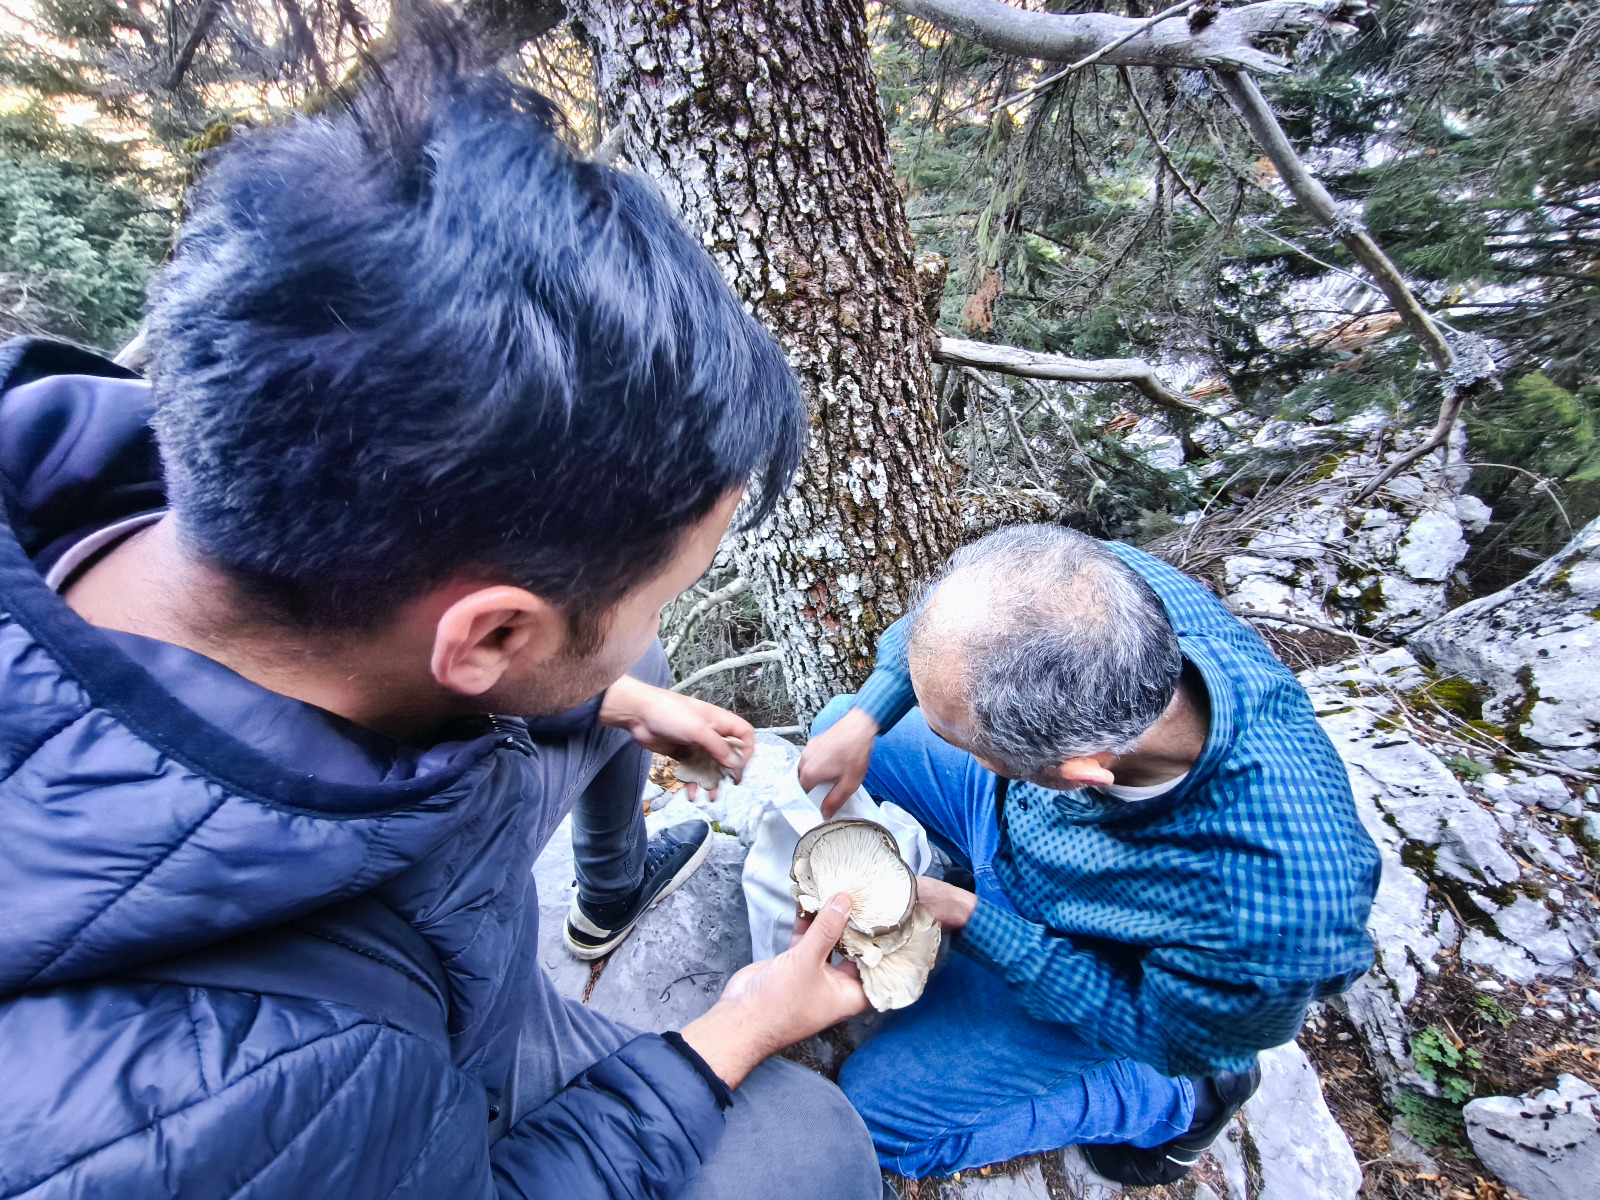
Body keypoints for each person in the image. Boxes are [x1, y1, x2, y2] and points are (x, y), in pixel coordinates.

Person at [0, 25, 882, 1200]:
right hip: (395, 1096)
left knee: (615, 677)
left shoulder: (153, 479)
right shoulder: (257, 1092)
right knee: (808, 1144)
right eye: (667, 584)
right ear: (484, 638)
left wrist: (616, 689)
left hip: (438, 975)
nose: (658, 615)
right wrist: (727, 1039)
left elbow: (530, 665)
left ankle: (607, 892)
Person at [799, 524, 1382, 1186]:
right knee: (837, 727)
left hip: (1101, 958)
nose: (938, 735)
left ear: (1080, 773)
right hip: (1012, 821)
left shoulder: (1265, 912)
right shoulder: (1099, 587)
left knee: (869, 1120)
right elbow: (944, 629)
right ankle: (977, 863)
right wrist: (867, 717)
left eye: (955, 737)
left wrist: (970, 917)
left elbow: (1163, 1031)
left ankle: (1171, 1104)